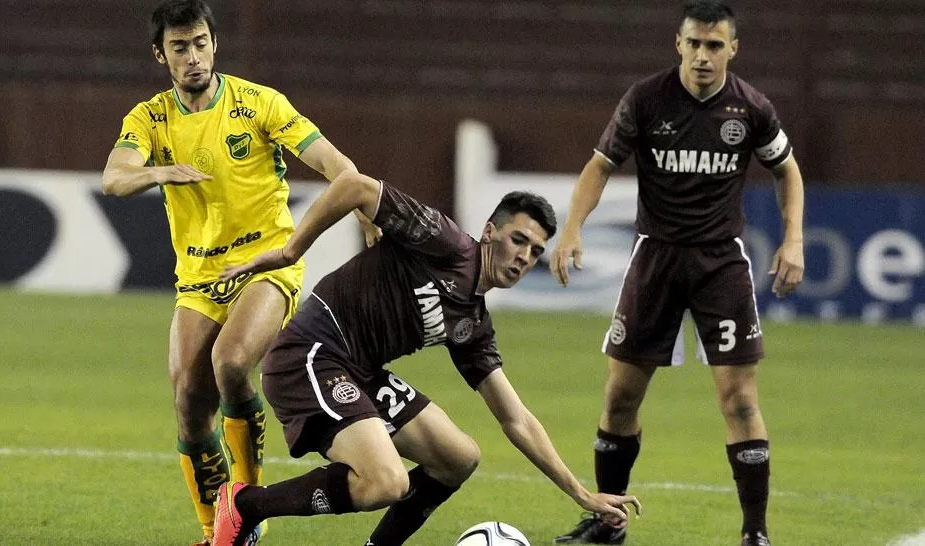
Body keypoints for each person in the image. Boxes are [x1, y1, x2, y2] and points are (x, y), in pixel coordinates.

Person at [209, 172, 642, 546]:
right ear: (490, 232)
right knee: (387, 482)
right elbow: (355, 186)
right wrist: (290, 252)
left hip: (361, 372)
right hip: (312, 354)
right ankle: (246, 507)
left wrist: (581, 493)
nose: (525, 257)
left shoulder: (472, 324)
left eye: (534, 251)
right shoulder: (444, 241)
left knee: (459, 457)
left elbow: (516, 419)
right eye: (518, 240)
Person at [101, 1, 379, 544]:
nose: (193, 56)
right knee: (187, 404)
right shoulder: (150, 118)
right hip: (199, 278)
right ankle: (215, 530)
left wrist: (369, 207)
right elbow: (115, 177)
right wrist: (159, 171)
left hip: (268, 263)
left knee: (230, 362)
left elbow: (331, 163)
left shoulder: (259, 104)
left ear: (214, 44)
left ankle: (247, 508)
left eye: (200, 42)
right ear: (161, 54)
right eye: (179, 47)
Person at [548, 2, 804, 545]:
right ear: (678, 44)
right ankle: (608, 521)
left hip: (720, 264)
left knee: (739, 400)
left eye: (716, 45)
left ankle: (755, 534)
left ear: (733, 49)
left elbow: (787, 169)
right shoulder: (646, 100)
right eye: (695, 44)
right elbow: (599, 166)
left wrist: (793, 237)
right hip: (657, 259)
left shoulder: (751, 109)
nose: (704, 56)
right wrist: (572, 228)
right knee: (620, 398)